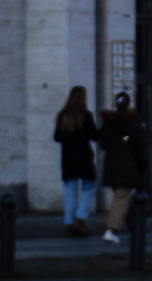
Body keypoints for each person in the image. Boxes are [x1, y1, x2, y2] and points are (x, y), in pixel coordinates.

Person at [53, 86, 98, 236]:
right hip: (84, 158)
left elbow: (57, 137)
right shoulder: (86, 115)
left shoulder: (62, 115)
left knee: (70, 192)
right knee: (90, 188)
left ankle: (69, 224)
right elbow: (94, 136)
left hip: (68, 159)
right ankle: (80, 218)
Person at [100, 92, 145, 245]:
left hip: (111, 165)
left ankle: (136, 229)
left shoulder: (109, 122)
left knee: (123, 198)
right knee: (122, 198)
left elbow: (103, 144)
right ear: (128, 103)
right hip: (128, 165)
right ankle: (111, 230)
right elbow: (140, 145)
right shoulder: (134, 121)